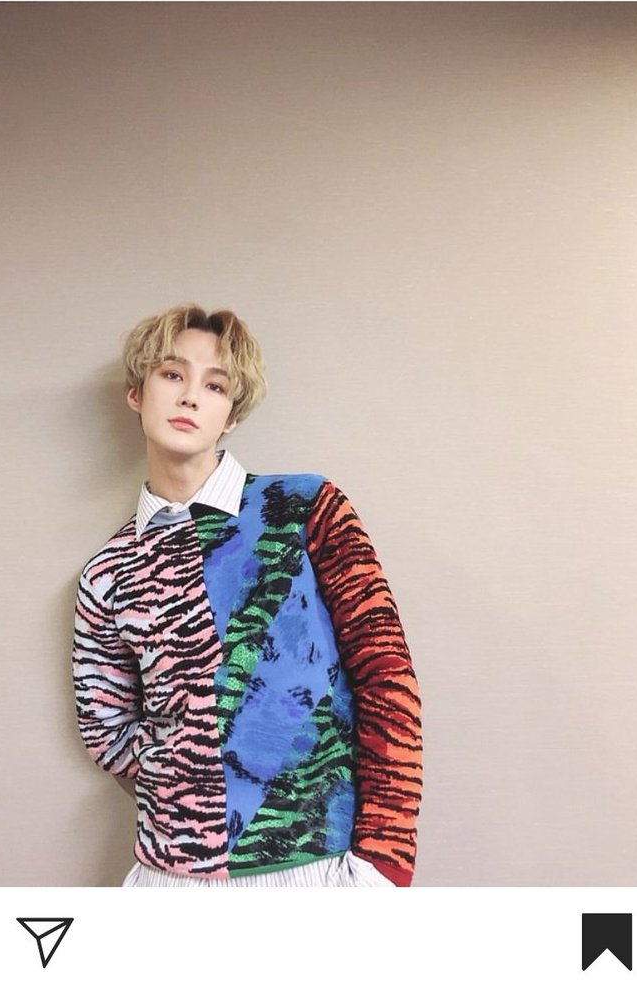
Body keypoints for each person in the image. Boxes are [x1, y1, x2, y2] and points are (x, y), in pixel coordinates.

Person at [73, 304, 422, 887]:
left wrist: (384, 860)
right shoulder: (107, 571)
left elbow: (386, 676)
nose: (190, 397)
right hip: (169, 879)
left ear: (231, 414)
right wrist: (192, 769)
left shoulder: (308, 507)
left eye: (215, 386)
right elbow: (107, 731)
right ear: (137, 393)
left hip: (315, 871)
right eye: (172, 375)